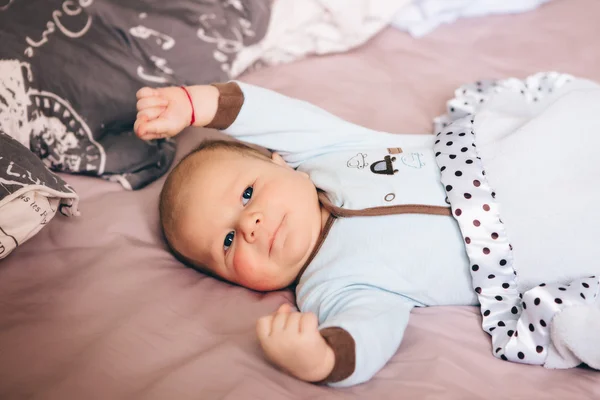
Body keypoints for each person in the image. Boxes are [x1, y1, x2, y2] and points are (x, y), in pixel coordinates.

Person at [134, 74, 600, 387]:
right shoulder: (332, 286)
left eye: (248, 195)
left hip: (507, 157)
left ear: (279, 160)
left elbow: (273, 114)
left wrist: (195, 104)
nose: (250, 226)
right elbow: (370, 329)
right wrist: (322, 359)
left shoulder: (326, 151)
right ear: (229, 281)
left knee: (576, 130)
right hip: (531, 243)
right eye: (229, 242)